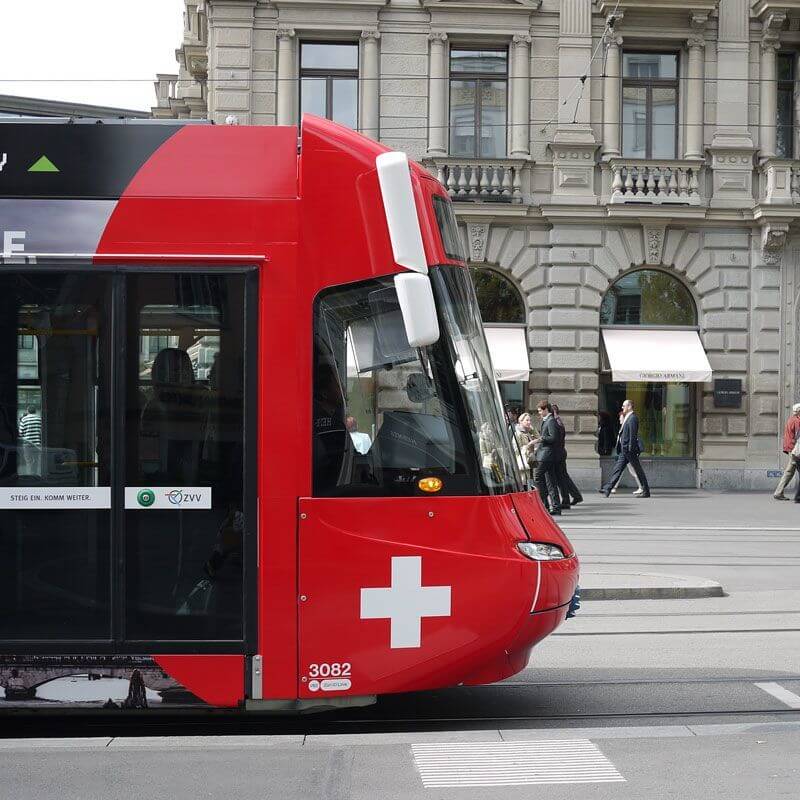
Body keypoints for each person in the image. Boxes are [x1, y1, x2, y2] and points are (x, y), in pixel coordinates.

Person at [601, 398, 650, 498]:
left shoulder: (632, 418)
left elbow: (632, 434)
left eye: (624, 405)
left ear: (629, 406)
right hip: (625, 450)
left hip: (629, 450)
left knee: (638, 470)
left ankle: (646, 491)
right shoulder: (628, 417)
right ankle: (608, 488)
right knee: (617, 469)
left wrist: (630, 448)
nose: (622, 407)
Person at [533, 400, 562, 515]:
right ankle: (555, 507)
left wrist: (541, 438)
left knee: (537, 477)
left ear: (546, 409)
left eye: (540, 411)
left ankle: (544, 504)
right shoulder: (548, 420)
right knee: (550, 482)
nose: (539, 413)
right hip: (548, 455)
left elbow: (553, 438)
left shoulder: (550, 421)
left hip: (547, 455)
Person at [551, 403, 583, 508]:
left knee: (561, 477)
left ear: (553, 412)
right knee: (563, 477)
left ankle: (567, 499)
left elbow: (556, 439)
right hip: (560, 452)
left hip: (558, 453)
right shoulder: (558, 421)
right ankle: (573, 497)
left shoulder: (556, 422)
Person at [610, 410, 645, 496]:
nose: (619, 419)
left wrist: (631, 450)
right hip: (624, 453)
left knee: (632, 471)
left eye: (620, 417)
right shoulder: (622, 428)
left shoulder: (628, 425)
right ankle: (612, 487)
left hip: (628, 453)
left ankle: (642, 487)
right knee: (620, 471)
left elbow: (632, 438)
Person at [774, 403, 800, 500]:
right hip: (795, 449)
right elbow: (798, 436)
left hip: (792, 448)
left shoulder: (791, 419)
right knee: (789, 471)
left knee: (789, 471)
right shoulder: (797, 421)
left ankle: (778, 492)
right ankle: (779, 492)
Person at [514, 412, 537, 483]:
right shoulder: (518, 433)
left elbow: (539, 438)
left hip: (530, 461)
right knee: (524, 481)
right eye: (527, 420)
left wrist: (533, 430)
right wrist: (529, 445)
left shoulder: (528, 432)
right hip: (523, 461)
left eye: (530, 420)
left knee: (530, 481)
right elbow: (516, 449)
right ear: (521, 421)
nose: (529, 422)